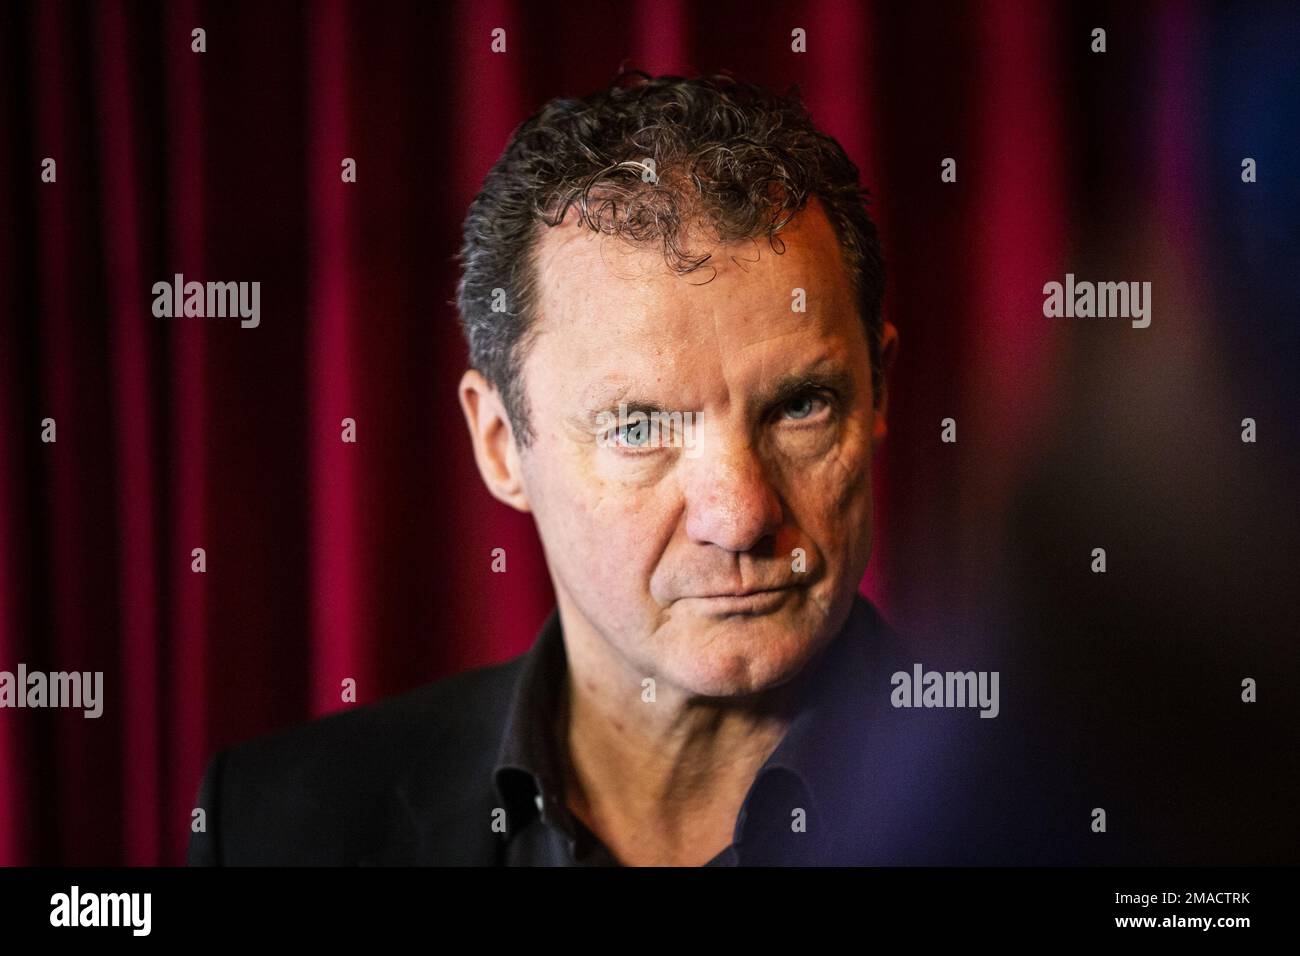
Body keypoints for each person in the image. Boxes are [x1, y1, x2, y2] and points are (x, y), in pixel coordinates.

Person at [188, 71, 1034, 867]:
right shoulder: (278, 828)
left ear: (878, 390)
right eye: (640, 426)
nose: (739, 516)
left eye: (800, 405)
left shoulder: (1070, 815)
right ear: (498, 444)